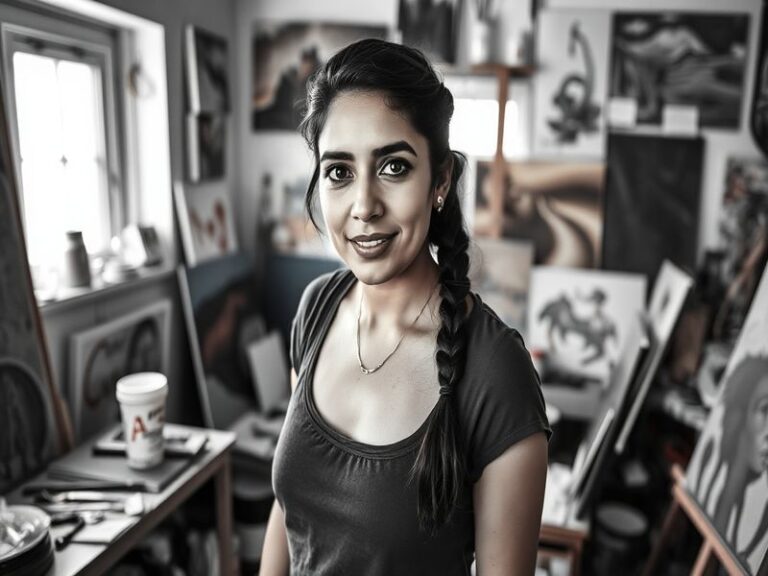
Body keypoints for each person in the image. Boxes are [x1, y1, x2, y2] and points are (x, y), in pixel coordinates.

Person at [259, 38, 551, 576]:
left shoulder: (494, 373)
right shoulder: (316, 310)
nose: (364, 206)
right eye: (339, 172)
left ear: (439, 181)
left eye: (393, 167)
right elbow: (288, 510)